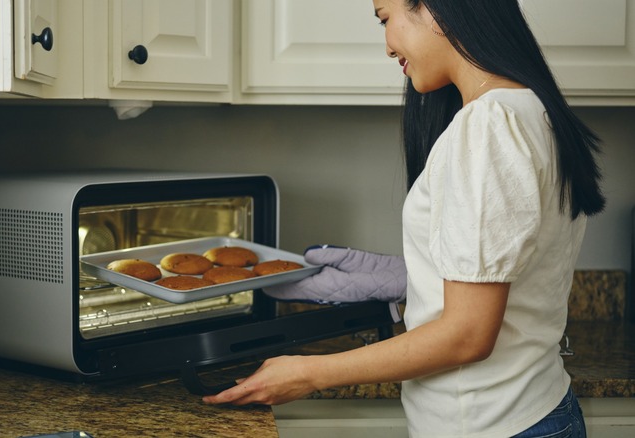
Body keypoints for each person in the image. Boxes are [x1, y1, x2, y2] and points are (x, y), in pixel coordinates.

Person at [203, 0, 606, 436]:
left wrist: (309, 372)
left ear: (435, 9)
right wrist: (407, 275)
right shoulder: (530, 111)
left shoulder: (488, 127)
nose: (388, 47)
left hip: (493, 425)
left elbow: (467, 335)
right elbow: (513, 264)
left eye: (384, 18)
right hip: (530, 410)